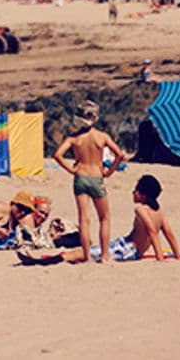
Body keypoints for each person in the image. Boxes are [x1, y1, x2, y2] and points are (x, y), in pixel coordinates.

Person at [19, 175, 180, 264]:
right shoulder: (159, 211)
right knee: (87, 251)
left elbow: (153, 232)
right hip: (125, 246)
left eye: (135, 190)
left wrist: (160, 258)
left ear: (143, 195)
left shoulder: (141, 210)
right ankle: (42, 260)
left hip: (128, 250)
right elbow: (169, 233)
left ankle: (36, 262)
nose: (133, 193)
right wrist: (177, 255)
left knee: (82, 253)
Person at [52, 100, 126, 263]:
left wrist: (71, 170)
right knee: (104, 217)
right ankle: (105, 255)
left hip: (80, 178)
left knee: (84, 219)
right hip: (96, 177)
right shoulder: (101, 137)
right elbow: (120, 155)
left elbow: (57, 155)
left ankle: (86, 256)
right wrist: (110, 171)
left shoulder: (74, 138)